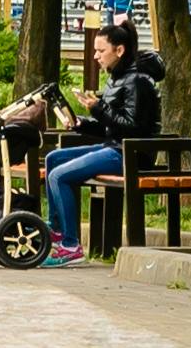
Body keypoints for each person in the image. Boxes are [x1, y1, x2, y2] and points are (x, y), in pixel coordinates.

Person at [43, 19, 165, 260]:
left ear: (119, 50)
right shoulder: (116, 77)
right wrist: (81, 122)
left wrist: (98, 108)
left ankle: (70, 245)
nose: (96, 56)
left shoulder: (138, 81)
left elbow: (133, 128)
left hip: (130, 154)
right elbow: (110, 126)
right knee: (53, 159)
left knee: (59, 176)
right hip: (114, 147)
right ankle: (56, 231)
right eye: (95, 51)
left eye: (101, 51)